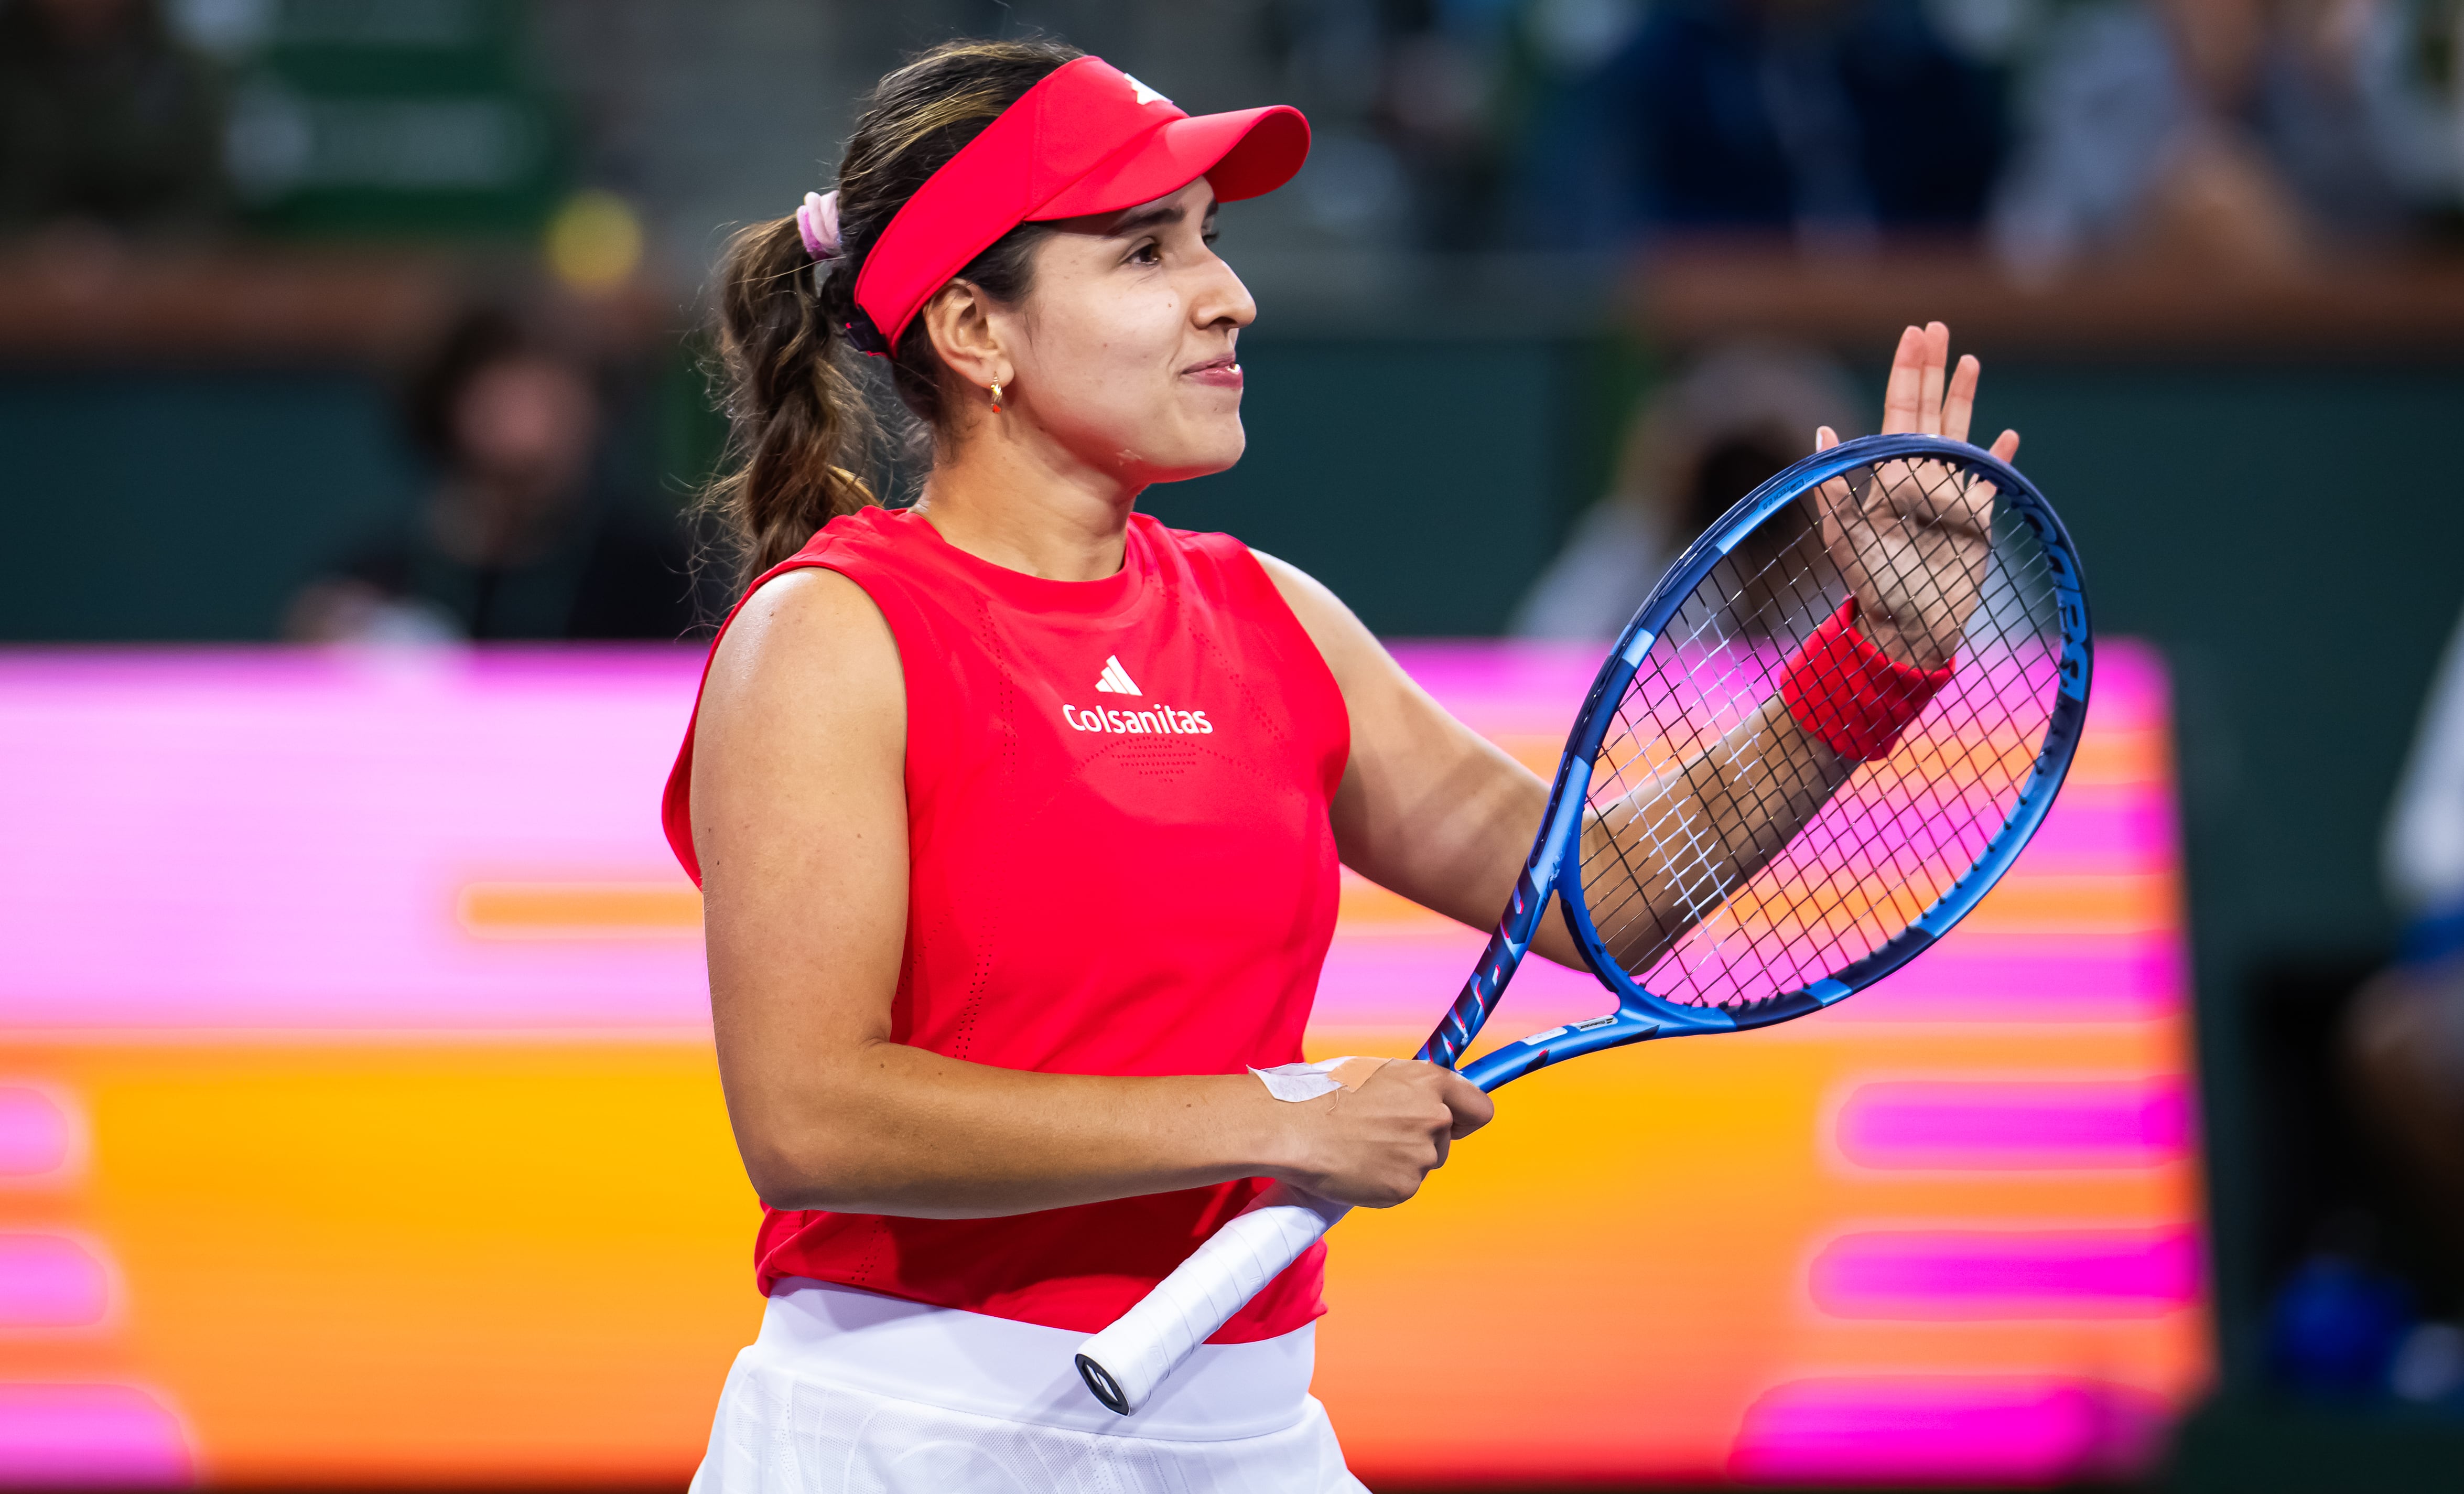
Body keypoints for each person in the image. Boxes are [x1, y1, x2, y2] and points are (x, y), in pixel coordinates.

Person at [664, 38, 2018, 1492]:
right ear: (972, 333)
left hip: (1244, 1429)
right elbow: (810, 1118)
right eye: (1141, 253)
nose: (1226, 295)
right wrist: (1275, 1118)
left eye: (1211, 244)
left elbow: (1595, 893)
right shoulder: (830, 635)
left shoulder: (1271, 618)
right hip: (908, 1433)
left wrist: (1869, 658)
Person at [288, 304, 700, 643]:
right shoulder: (376, 577)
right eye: (501, 408)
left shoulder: (660, 570)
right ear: (447, 410)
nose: (529, 438)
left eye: (553, 405)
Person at [1990, 0, 2452, 277]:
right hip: (2121, 381)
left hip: (2304, 386)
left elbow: (2390, 245)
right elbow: (2029, 256)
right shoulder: (2090, 87)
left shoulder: (2319, 87)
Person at [1515, 0, 2005, 249]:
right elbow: (1612, 245)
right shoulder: (1659, 71)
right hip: (1710, 367)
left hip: (1910, 352)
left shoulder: (1925, 75)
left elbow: (1983, 237)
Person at [1511, 341, 1863, 640]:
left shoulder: (1847, 589)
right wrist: (1649, 529)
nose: (1746, 496)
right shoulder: (1637, 549)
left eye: (1768, 478)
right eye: (1729, 482)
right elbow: (1541, 656)